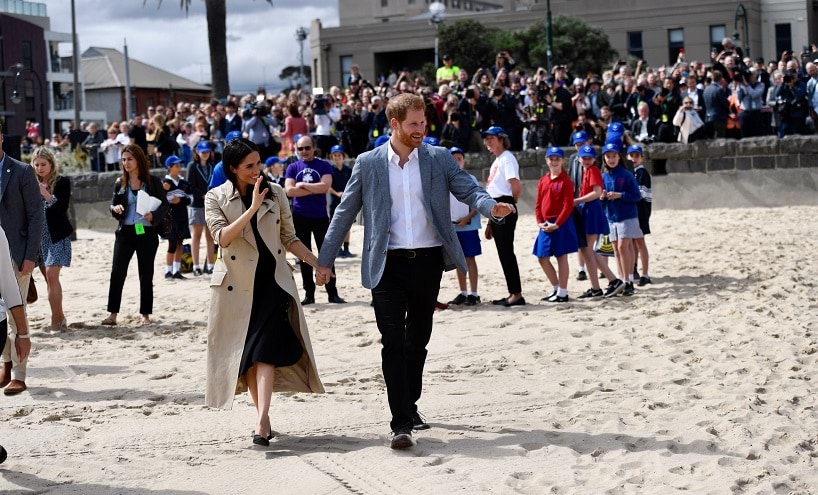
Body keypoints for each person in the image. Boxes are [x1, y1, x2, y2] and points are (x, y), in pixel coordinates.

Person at [314, 94, 515, 449]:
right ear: (395, 124)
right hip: (386, 263)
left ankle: (411, 403)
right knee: (392, 340)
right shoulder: (368, 163)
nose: (421, 129)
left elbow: (468, 187)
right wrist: (325, 260)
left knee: (417, 339)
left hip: (427, 261)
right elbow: (344, 213)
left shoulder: (438, 158)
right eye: (413, 124)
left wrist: (490, 207)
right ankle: (401, 422)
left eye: (423, 123)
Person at [204, 138, 324, 447]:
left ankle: (261, 420)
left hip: (272, 283)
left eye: (259, 163)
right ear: (232, 169)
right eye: (249, 166)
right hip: (236, 287)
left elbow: (289, 237)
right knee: (251, 357)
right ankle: (264, 418)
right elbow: (224, 238)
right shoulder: (215, 197)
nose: (258, 170)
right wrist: (253, 208)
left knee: (265, 351)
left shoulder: (278, 193)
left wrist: (317, 262)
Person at [102, 144, 170, 327]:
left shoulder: (153, 181)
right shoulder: (120, 182)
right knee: (117, 272)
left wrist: (154, 216)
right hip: (125, 232)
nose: (126, 163)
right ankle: (113, 314)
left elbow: (165, 205)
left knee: (145, 273)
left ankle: (145, 315)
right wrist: (115, 209)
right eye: (123, 159)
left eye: (129, 159)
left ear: (138, 160)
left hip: (146, 231)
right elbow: (112, 205)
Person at [0, 125, 44, 396]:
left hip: (16, 255)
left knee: (17, 316)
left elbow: (36, 216)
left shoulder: (22, 171)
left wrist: (31, 257)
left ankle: (19, 374)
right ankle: (6, 361)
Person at [284, 135, 346, 305]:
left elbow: (325, 187)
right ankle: (309, 294)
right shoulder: (292, 167)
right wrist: (314, 189)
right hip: (299, 215)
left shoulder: (324, 165)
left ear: (314, 148)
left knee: (326, 255)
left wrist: (302, 186)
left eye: (307, 148)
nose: (304, 151)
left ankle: (332, 293)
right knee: (304, 256)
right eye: (300, 149)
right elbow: (289, 191)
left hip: (320, 216)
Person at [482, 126, 525, 307]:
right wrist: (491, 221)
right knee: (503, 252)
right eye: (487, 139)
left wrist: (510, 205)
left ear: (501, 139)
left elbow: (515, 185)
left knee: (506, 252)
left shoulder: (507, 158)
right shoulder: (499, 160)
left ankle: (516, 293)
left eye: (492, 138)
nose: (488, 142)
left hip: (504, 204)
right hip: (497, 206)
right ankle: (513, 292)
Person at [32, 147, 73, 332]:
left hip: (56, 235)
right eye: (37, 164)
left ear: (51, 164)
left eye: (43, 164)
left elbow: (61, 209)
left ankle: (55, 322)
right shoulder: (30, 183)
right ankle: (61, 316)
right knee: (49, 280)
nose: (40, 168)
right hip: (38, 238)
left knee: (51, 275)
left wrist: (46, 194)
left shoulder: (62, 182)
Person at [572, 145, 619, 299]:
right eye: (583, 157)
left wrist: (577, 200)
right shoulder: (587, 171)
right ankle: (602, 285)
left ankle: (608, 282)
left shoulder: (592, 170)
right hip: (588, 210)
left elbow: (597, 192)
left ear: (594, 159)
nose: (586, 160)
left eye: (589, 158)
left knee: (587, 249)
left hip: (591, 211)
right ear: (578, 158)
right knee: (587, 250)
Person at [533, 147, 578, 303]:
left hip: (561, 223)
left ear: (562, 161)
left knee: (561, 257)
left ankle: (563, 292)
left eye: (557, 159)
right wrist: (539, 221)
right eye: (551, 159)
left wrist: (557, 224)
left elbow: (568, 206)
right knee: (542, 257)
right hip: (545, 224)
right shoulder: (543, 180)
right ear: (547, 160)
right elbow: (538, 203)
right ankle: (556, 287)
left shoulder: (566, 180)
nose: (554, 161)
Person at [600, 143, 642, 298]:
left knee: (624, 247)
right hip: (611, 216)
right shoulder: (603, 176)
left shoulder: (626, 174)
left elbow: (636, 196)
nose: (611, 159)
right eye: (608, 156)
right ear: (604, 158)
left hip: (627, 216)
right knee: (616, 249)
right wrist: (602, 197)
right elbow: (601, 201)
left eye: (614, 156)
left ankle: (628, 280)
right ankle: (621, 279)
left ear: (619, 157)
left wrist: (620, 195)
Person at [446, 147, 482, 306]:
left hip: (468, 227)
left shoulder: (470, 179)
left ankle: (474, 293)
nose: (456, 161)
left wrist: (467, 218)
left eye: (459, 158)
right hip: (454, 227)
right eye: (453, 158)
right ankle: (463, 292)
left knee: (470, 259)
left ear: (464, 161)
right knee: (458, 260)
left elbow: (478, 201)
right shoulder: (444, 180)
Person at [186, 140, 216, 276]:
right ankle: (196, 266)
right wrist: (202, 195)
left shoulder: (212, 166)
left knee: (210, 236)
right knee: (196, 235)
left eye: (207, 151)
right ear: (197, 152)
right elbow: (190, 185)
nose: (205, 154)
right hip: (197, 205)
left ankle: (210, 265)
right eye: (203, 151)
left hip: (209, 204)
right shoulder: (192, 166)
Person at [162, 156, 192, 280]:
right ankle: (168, 270)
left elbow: (191, 199)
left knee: (180, 244)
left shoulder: (184, 183)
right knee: (172, 244)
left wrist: (180, 200)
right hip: (170, 218)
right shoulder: (165, 183)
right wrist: (164, 193)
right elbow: (159, 200)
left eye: (180, 166)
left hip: (182, 217)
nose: (179, 168)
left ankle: (176, 270)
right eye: (176, 166)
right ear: (169, 168)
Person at [628, 145, 653, 286]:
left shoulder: (641, 172)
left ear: (642, 158)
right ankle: (634, 269)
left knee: (640, 242)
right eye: (631, 155)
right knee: (633, 242)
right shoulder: (632, 172)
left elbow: (640, 194)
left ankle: (645, 274)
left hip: (641, 211)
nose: (634, 158)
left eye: (637, 156)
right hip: (634, 210)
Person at [327, 145, 354, 258]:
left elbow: (353, 185)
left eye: (339, 155)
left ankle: (346, 249)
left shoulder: (349, 170)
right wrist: (337, 193)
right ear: (332, 157)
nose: (337, 157)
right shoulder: (329, 171)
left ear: (343, 156)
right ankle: (338, 249)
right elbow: (326, 186)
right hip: (335, 202)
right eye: (335, 155)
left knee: (347, 226)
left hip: (347, 202)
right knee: (336, 226)